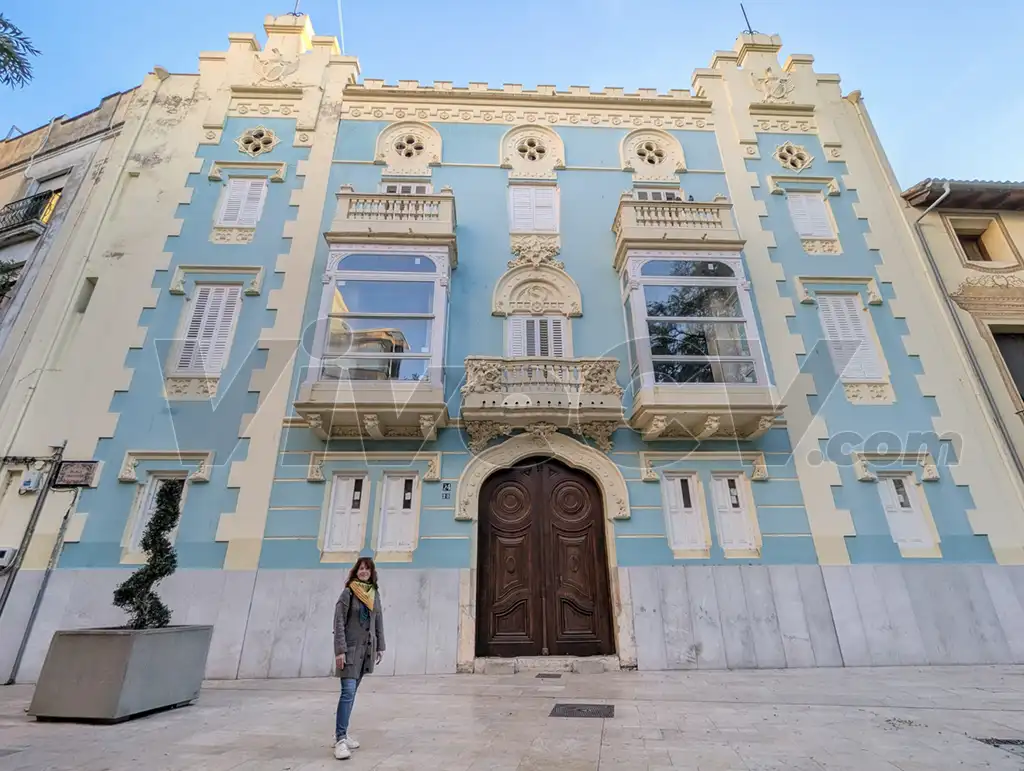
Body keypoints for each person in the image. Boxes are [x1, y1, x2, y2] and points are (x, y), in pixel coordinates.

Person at [333, 557, 385, 760]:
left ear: (372, 573)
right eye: (361, 569)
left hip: (366, 651)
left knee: (352, 693)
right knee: (347, 692)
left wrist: (381, 645)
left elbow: (378, 620)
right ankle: (339, 739)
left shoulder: (373, 594)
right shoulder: (348, 593)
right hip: (350, 650)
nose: (364, 572)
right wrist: (340, 650)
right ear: (355, 572)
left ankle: (343, 734)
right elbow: (338, 622)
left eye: (367, 569)